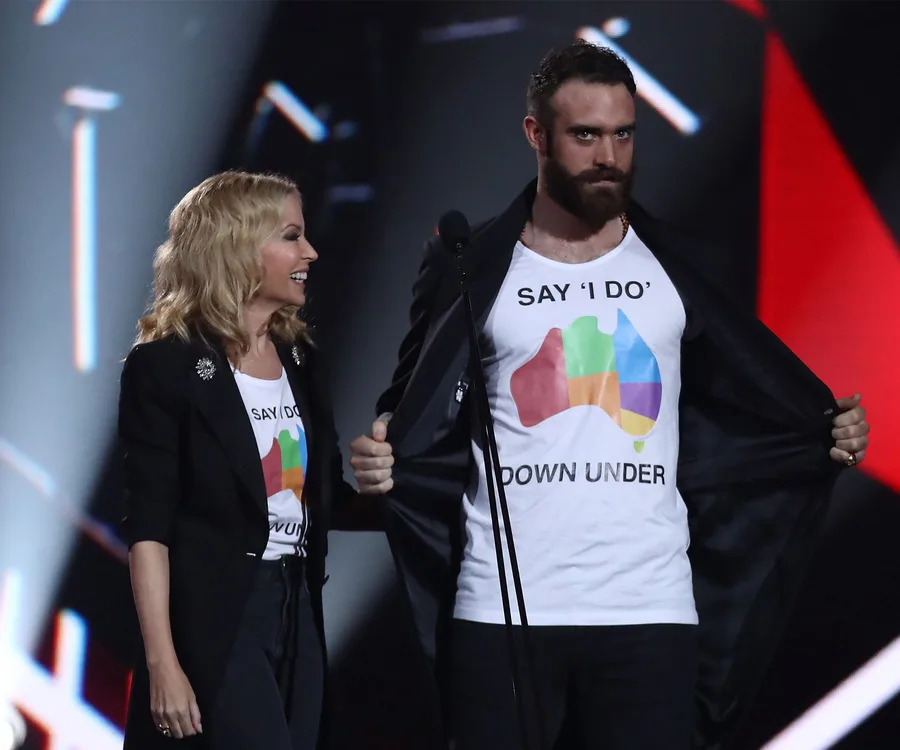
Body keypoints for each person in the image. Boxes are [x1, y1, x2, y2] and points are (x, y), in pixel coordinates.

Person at [349, 41, 871, 750]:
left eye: (623, 134)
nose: (608, 157)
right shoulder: (469, 263)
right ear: (536, 135)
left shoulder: (680, 263)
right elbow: (409, 402)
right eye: (586, 135)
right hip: (502, 611)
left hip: (648, 612)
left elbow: (743, 406)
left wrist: (821, 434)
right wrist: (383, 445)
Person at [119, 171, 377, 750]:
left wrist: (401, 492)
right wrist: (163, 664)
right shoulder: (166, 367)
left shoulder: (301, 360)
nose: (310, 252)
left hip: (297, 607)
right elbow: (149, 528)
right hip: (219, 616)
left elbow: (321, 500)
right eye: (291, 236)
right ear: (237, 246)